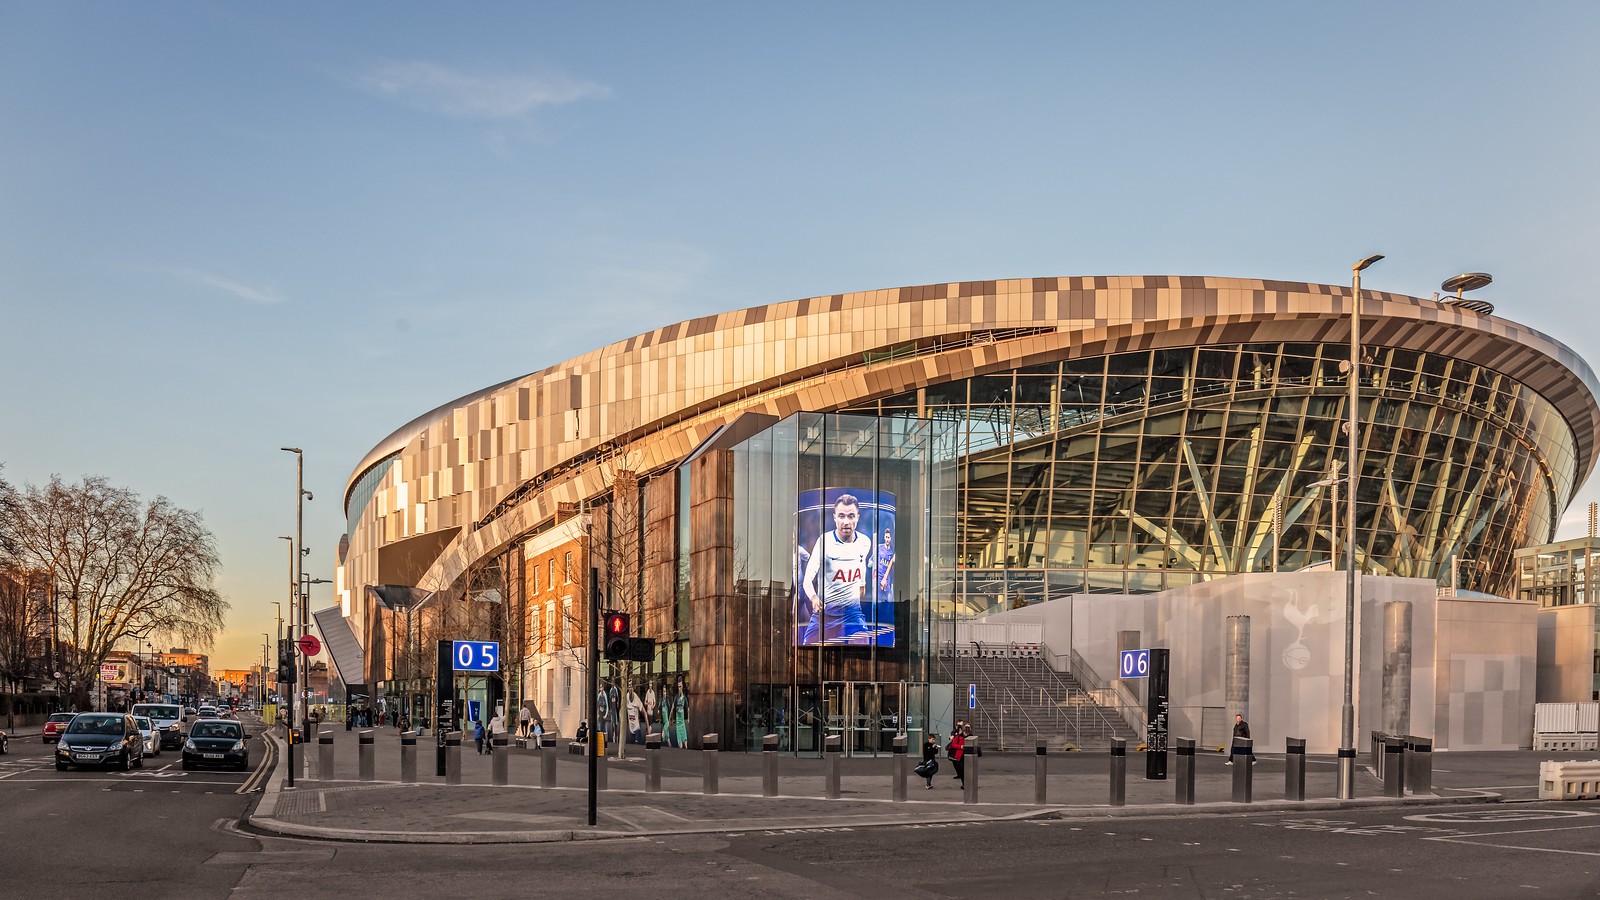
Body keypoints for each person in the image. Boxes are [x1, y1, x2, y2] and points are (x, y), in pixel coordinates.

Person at [799, 494, 876, 645]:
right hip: (824, 614)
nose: (846, 522)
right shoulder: (824, 542)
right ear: (835, 517)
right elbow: (807, 579)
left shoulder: (865, 542)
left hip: (852, 613)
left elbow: (861, 561)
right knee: (806, 650)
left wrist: (862, 583)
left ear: (858, 518)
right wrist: (814, 598)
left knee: (863, 646)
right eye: (841, 516)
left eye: (851, 516)